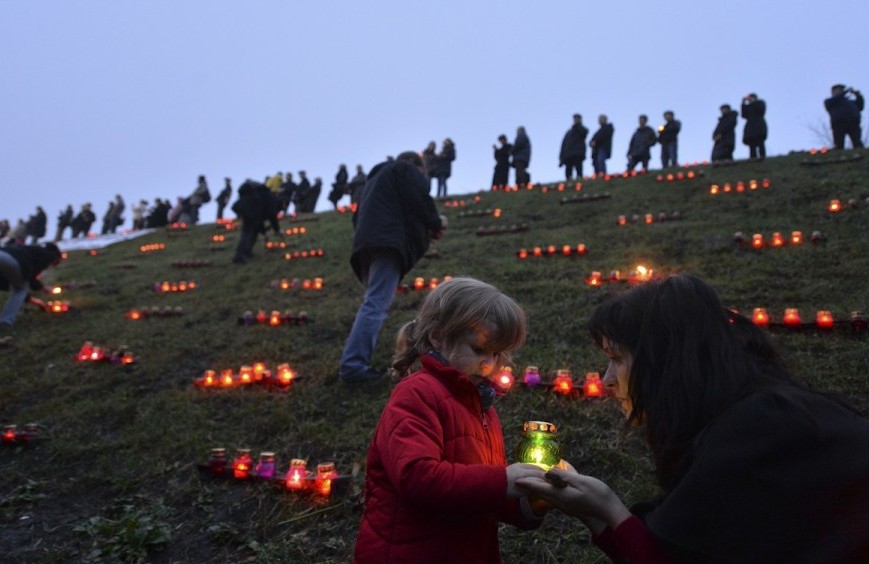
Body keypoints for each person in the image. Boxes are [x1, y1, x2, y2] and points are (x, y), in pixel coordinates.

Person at [517, 275, 869, 563]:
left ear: (664, 361)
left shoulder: (763, 431)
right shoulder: (743, 418)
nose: (607, 379)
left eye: (618, 357)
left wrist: (607, 508)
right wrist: (599, 511)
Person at [354, 277, 549, 563]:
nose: (489, 364)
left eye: (496, 353)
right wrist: (503, 481)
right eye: (479, 349)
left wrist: (533, 499)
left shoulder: (482, 407)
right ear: (438, 336)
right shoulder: (416, 394)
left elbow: (480, 491)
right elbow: (418, 479)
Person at [339, 151, 445, 384]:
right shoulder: (405, 170)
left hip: (366, 245)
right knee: (376, 304)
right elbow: (419, 198)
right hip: (387, 243)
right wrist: (435, 223)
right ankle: (353, 366)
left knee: (374, 301)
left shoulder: (374, 181)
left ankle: (354, 362)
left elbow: (356, 218)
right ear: (418, 167)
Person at [0, 242, 62, 328]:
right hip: (11, 261)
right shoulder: (47, 255)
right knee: (20, 290)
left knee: (19, 289)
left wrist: (37, 301)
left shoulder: (29, 250)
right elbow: (30, 279)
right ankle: (6, 321)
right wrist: (43, 288)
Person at [231, 180, 281, 264]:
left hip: (247, 209)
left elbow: (260, 218)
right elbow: (270, 218)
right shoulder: (270, 202)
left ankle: (247, 252)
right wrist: (274, 231)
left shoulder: (264, 198)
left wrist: (264, 231)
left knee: (254, 230)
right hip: (249, 209)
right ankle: (239, 256)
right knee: (247, 232)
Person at [824, 84, 864, 150]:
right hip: (839, 123)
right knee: (839, 144)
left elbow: (860, 106)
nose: (841, 91)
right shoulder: (829, 101)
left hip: (853, 122)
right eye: (838, 90)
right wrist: (844, 92)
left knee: (857, 143)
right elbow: (835, 100)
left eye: (841, 89)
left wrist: (858, 95)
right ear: (833, 92)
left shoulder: (850, 102)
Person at [559, 114, 589, 181]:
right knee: (568, 172)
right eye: (575, 119)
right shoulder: (568, 133)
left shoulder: (581, 129)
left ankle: (579, 181)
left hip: (578, 153)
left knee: (579, 170)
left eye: (577, 119)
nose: (576, 120)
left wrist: (578, 126)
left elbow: (584, 133)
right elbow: (563, 145)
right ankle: (569, 182)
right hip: (568, 156)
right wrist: (561, 158)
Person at [741, 93, 768, 160]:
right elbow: (744, 115)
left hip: (759, 124)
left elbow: (761, 111)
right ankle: (752, 157)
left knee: (760, 141)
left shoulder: (760, 103)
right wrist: (743, 104)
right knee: (751, 143)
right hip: (750, 126)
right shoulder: (748, 106)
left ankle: (762, 156)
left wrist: (753, 103)